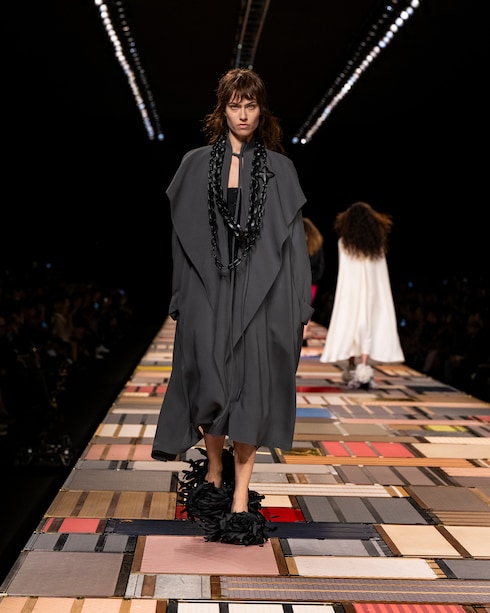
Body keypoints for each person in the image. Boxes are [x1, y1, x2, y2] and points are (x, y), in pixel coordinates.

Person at [151, 68, 313, 545]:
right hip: (209, 288)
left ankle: (240, 498)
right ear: (222, 110)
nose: (243, 114)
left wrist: (300, 308)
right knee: (209, 381)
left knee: (251, 389)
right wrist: (180, 296)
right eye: (235, 105)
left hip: (262, 294)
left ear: (262, 111)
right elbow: (181, 241)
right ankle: (214, 470)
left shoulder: (280, 169)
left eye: (251, 106)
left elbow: (294, 248)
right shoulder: (195, 164)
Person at [320, 201, 404, 388]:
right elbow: (379, 274)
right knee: (366, 329)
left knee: (350, 327)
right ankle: (364, 368)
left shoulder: (344, 244)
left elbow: (346, 271)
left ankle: (351, 366)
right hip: (372, 294)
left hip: (351, 293)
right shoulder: (377, 246)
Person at [302, 217, 325, 344]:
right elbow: (321, 266)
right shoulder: (316, 244)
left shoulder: (297, 244)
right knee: (307, 308)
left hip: (299, 281)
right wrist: (314, 279)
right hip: (312, 283)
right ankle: (304, 334)